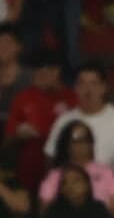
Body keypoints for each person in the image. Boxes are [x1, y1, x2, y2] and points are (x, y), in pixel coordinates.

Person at [43, 62, 114, 180]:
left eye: (94, 84)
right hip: (71, 187)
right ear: (76, 88)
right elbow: (50, 156)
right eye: (82, 84)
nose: (88, 90)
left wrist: (110, 181)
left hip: (108, 187)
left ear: (103, 88)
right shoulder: (64, 120)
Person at [4, 49, 76, 192]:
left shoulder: (73, 99)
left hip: (65, 174)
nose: (43, 73)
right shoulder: (23, 97)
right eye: (39, 69)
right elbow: (7, 142)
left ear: (59, 71)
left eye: (49, 69)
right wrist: (18, 136)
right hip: (29, 175)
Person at [39, 120, 114, 218]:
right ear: (67, 144)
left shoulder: (106, 173)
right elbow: (46, 213)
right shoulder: (55, 176)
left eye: (87, 139)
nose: (82, 143)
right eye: (77, 139)